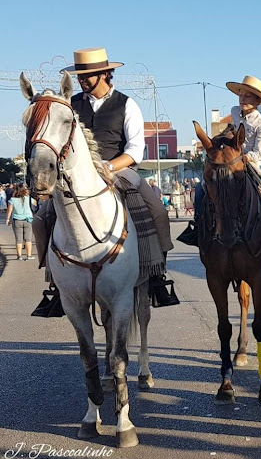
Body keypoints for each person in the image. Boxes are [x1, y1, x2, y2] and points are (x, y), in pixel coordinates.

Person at [32, 47, 179, 317]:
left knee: (156, 211)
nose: (82, 80)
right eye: (80, 75)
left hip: (117, 168)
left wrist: (106, 166)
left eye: (88, 75)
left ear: (106, 74)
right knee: (41, 219)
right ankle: (55, 283)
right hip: (75, 176)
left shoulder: (126, 104)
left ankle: (157, 276)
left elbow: (135, 150)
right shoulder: (71, 104)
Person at [192, 76, 261, 248]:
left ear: (258, 101)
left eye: (248, 96)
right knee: (201, 188)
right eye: (241, 95)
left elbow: (259, 151)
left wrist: (247, 157)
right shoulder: (234, 111)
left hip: (254, 162)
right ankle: (198, 227)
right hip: (232, 160)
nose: (242, 99)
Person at [6, 183, 36, 260]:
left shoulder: (12, 200)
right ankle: (29, 255)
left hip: (17, 220)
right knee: (28, 239)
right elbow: (35, 204)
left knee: (18, 239)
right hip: (28, 220)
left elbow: (10, 210)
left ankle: (19, 256)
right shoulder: (29, 198)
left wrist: (8, 219)